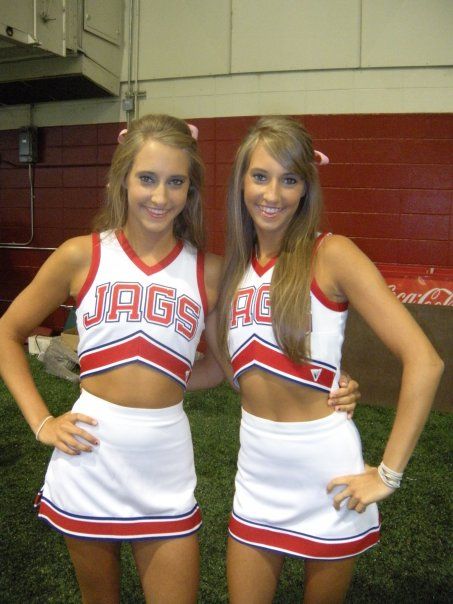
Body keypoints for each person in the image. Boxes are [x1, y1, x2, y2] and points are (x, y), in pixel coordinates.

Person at [0, 113, 360, 603]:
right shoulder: (78, 255)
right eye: (146, 178)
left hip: (163, 459)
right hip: (89, 454)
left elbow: (234, 364)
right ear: (121, 179)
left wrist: (329, 383)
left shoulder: (211, 272)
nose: (159, 196)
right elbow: (9, 331)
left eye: (175, 182)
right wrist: (41, 422)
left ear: (190, 190)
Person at [208, 116, 443, 603]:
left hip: (327, 473)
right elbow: (239, 369)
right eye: (260, 176)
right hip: (255, 471)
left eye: (289, 179)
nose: (273, 193)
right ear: (240, 182)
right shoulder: (234, 267)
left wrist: (387, 475)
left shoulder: (332, 254)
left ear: (305, 188)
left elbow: (426, 360)